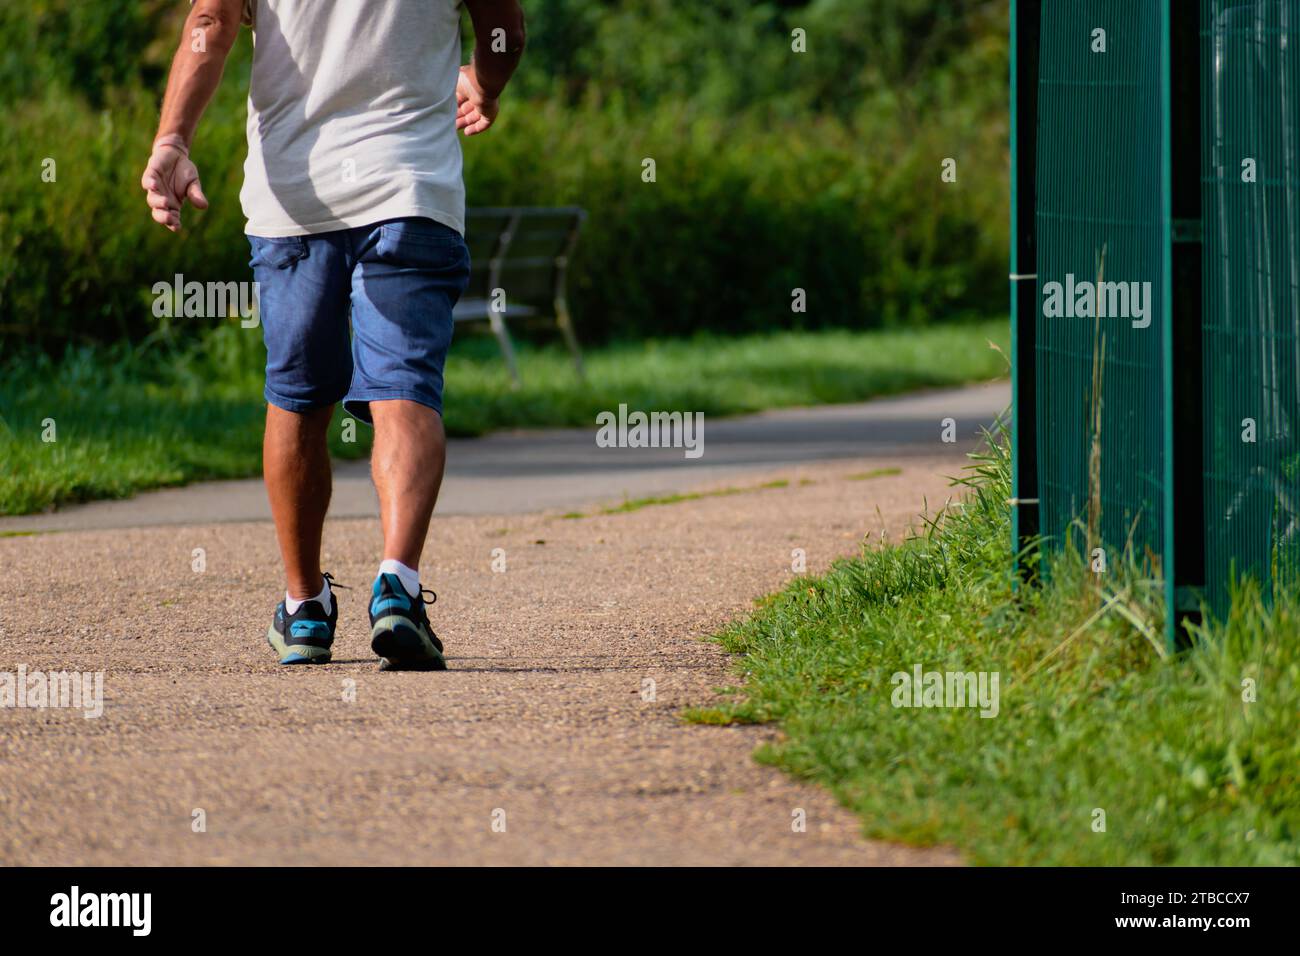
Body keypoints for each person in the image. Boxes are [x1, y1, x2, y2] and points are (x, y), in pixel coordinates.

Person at [140, 0, 525, 669]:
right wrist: (484, 86)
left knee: (296, 395)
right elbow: (506, 31)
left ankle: (304, 609)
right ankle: (398, 586)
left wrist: (174, 140)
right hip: (409, 188)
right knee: (404, 386)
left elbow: (211, 22)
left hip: (294, 198)